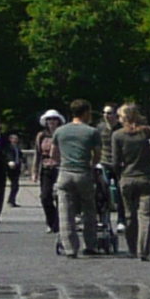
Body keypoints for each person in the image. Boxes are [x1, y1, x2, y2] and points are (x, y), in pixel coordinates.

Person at [52, 100, 107, 256]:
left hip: (64, 173)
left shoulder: (60, 131)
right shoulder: (91, 132)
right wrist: (91, 165)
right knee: (89, 210)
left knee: (65, 212)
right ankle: (90, 245)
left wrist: (62, 162)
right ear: (85, 113)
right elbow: (97, 155)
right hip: (83, 173)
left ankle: (70, 247)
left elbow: (53, 154)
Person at [109, 104, 150, 258]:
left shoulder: (118, 135)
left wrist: (119, 175)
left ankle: (132, 248)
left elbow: (115, 161)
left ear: (124, 117)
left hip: (127, 178)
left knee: (129, 216)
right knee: (145, 216)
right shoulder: (147, 132)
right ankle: (143, 251)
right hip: (146, 177)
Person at [33, 110, 63, 234]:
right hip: (46, 168)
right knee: (45, 197)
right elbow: (37, 153)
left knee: (60, 197)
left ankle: (60, 222)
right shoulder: (41, 136)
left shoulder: (62, 134)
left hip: (60, 167)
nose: (51, 122)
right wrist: (34, 171)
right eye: (49, 119)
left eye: (54, 119)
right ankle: (51, 222)